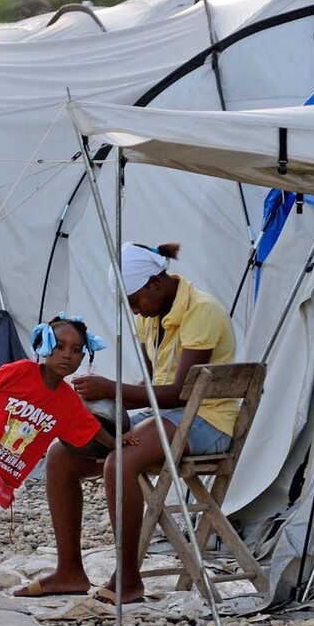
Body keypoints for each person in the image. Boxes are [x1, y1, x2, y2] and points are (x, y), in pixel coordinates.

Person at [18, 242, 237, 604]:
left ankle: (130, 579)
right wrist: (104, 399)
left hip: (207, 421)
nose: (133, 308)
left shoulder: (202, 311)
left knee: (122, 461)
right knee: (61, 455)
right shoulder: (149, 317)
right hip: (166, 416)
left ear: (155, 283)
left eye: (134, 299)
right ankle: (70, 570)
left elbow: (179, 394)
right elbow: (153, 389)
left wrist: (111, 387)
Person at [0, 315, 132, 588]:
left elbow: (91, 429)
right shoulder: (21, 370)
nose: (67, 356)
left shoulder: (68, 401)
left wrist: (117, 443)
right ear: (44, 345)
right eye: (60, 346)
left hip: (2, 459)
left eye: (75, 351)